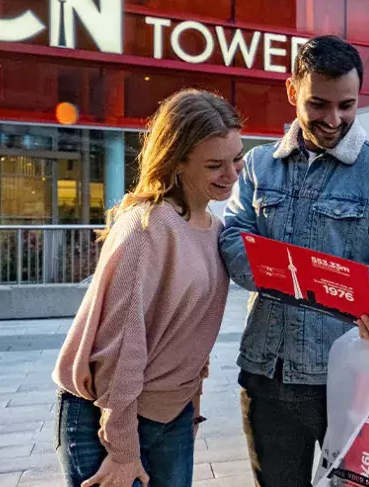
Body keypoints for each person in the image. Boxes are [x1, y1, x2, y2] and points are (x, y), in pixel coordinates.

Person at [219, 35, 369, 487]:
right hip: (265, 370)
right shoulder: (256, 165)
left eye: (347, 105)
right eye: (318, 104)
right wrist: (312, 278)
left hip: (345, 381)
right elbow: (232, 241)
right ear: (292, 92)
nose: (333, 119)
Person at [53, 90, 243, 487]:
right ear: (177, 160)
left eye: (237, 159)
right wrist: (122, 450)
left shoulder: (216, 231)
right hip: (105, 415)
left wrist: (191, 407)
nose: (231, 175)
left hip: (170, 415)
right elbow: (121, 348)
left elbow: (194, 335)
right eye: (214, 165)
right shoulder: (146, 227)